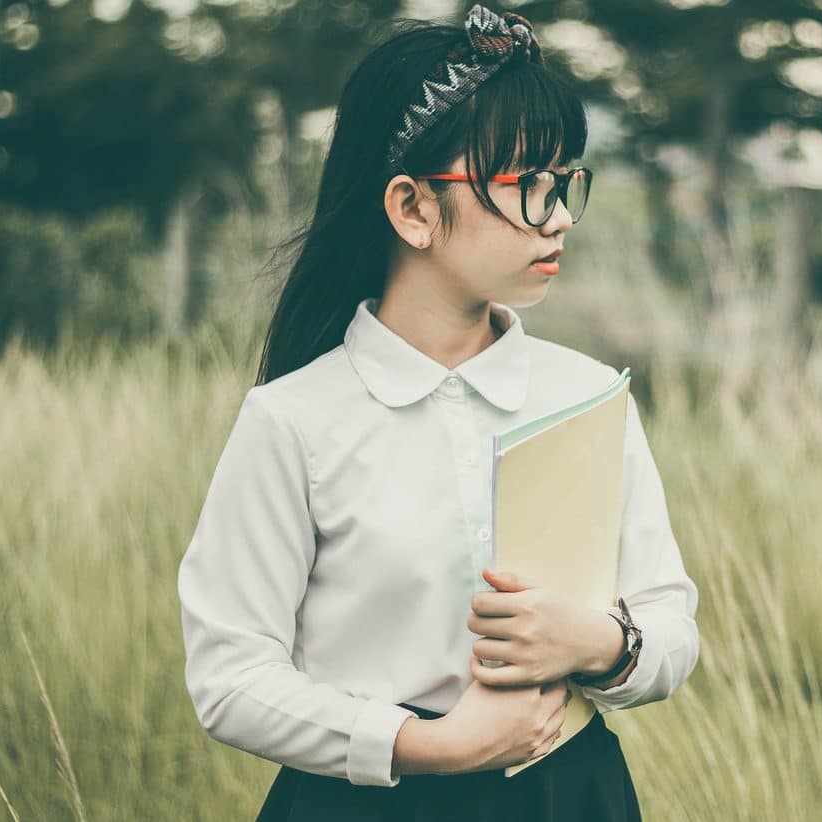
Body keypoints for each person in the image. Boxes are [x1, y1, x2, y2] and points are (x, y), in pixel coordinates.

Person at [176, 5, 700, 820]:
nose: (557, 215)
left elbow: (672, 622)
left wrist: (598, 642)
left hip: (570, 794)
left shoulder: (590, 396)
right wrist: (430, 746)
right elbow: (230, 679)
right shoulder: (294, 419)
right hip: (369, 803)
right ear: (412, 209)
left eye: (564, 184)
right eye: (526, 185)